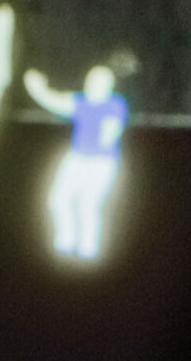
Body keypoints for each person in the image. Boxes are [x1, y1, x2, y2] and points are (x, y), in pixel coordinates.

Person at [23, 65, 127, 260]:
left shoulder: (115, 104)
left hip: (102, 163)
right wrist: (35, 88)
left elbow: (111, 132)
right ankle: (65, 244)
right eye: (90, 80)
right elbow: (53, 100)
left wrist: (109, 133)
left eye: (98, 81)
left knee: (88, 204)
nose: (91, 84)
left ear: (108, 85)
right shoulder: (81, 102)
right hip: (77, 159)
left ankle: (89, 252)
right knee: (57, 199)